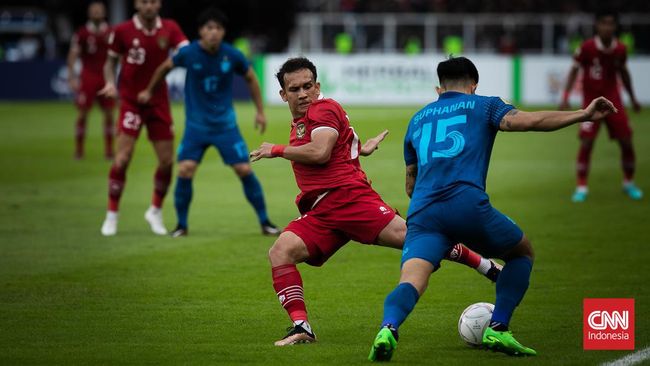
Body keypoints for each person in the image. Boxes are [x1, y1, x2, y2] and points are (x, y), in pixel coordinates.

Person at [368, 56, 617, 361]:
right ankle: (498, 327)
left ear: (438, 88)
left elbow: (410, 184)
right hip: (466, 204)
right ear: (473, 85)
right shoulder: (483, 104)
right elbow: (529, 121)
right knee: (521, 252)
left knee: (411, 280)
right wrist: (583, 114)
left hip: (423, 213)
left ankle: (388, 328)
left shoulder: (417, 120)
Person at [249, 57, 503, 347]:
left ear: (317, 86)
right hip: (323, 212)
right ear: (283, 95)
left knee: (417, 238)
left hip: (350, 200)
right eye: (295, 89)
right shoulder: (305, 121)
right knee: (281, 251)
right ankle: (301, 327)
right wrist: (360, 149)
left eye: (308, 86)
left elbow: (320, 152)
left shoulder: (323, 108)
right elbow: (337, 143)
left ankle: (489, 267)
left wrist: (277, 150)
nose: (303, 93)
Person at [137, 8, 279, 237]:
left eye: (218, 28)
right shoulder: (188, 53)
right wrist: (148, 91)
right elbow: (164, 68)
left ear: (223, 32)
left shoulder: (232, 55)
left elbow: (251, 78)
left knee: (244, 168)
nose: (213, 33)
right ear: (201, 31)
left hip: (226, 126)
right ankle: (181, 225)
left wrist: (260, 112)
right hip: (196, 127)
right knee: (185, 169)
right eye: (209, 28)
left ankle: (265, 222)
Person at [98, 0, 188, 236]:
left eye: (153, 1)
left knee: (167, 161)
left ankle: (155, 211)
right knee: (123, 158)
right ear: (137, 4)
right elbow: (110, 63)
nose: (149, 6)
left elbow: (185, 50)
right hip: (131, 102)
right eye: (144, 1)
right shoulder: (122, 31)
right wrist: (109, 83)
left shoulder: (169, 28)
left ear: (159, 4)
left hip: (159, 102)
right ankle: (112, 215)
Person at [560, 11, 642, 202]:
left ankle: (628, 183)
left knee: (626, 142)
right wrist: (565, 95)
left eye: (611, 23)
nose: (607, 27)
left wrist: (633, 98)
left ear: (615, 27)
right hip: (590, 104)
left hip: (614, 102)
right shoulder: (587, 47)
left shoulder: (621, 49)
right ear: (597, 26)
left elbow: (624, 73)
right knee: (587, 143)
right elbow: (574, 70)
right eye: (604, 23)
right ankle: (581, 187)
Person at [67, 1, 114, 160]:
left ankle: (109, 150)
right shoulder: (82, 33)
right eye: (94, 11)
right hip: (88, 76)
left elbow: (118, 55)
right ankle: (79, 150)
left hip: (106, 77)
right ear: (89, 13)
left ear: (104, 13)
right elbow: (73, 54)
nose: (97, 13)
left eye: (99, 11)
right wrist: (72, 76)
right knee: (82, 113)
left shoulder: (111, 31)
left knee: (109, 113)